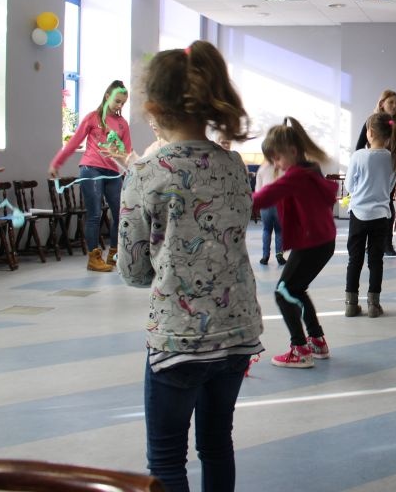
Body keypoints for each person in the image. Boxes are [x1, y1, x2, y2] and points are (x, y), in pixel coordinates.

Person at [116, 41, 264, 492]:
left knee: (166, 457)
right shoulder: (234, 166)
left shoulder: (146, 172)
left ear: (154, 107)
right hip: (237, 333)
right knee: (217, 444)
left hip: (177, 337)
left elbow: (133, 270)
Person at [253, 117, 337, 368]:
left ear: (291, 151)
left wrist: (235, 201)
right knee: (296, 289)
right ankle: (317, 341)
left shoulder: (297, 175)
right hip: (322, 241)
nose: (276, 164)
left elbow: (267, 196)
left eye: (277, 158)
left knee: (283, 292)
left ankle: (300, 349)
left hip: (312, 243)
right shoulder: (311, 169)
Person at [49, 79, 131, 272]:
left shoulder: (122, 124)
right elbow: (73, 142)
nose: (119, 106)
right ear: (107, 96)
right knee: (94, 214)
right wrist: (56, 163)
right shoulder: (93, 118)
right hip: (91, 168)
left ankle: (114, 254)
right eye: (117, 101)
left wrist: (130, 167)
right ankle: (94, 258)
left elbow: (127, 152)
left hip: (113, 172)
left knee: (120, 213)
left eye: (123, 103)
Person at [344, 112, 396, 318]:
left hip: (358, 214)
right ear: (388, 134)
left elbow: (349, 186)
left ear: (369, 132)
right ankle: (373, 305)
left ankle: (351, 304)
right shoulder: (392, 158)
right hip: (381, 215)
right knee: (376, 260)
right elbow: (391, 186)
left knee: (355, 259)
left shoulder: (358, 156)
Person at [355, 89, 396, 256]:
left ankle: (387, 242)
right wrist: (362, 164)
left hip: (389, 167)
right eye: (391, 102)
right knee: (370, 201)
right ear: (382, 103)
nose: (394, 105)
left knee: (387, 202)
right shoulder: (371, 121)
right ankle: (370, 241)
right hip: (372, 166)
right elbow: (359, 146)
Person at [256, 158, 285, 266]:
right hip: (280, 203)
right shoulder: (284, 168)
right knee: (279, 231)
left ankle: (265, 256)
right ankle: (279, 255)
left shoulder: (262, 168)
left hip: (265, 203)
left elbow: (258, 190)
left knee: (266, 230)